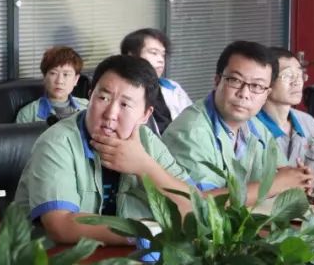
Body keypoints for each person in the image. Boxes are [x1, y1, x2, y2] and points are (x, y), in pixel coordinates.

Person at [14, 55, 194, 246]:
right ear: (89, 96)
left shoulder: (148, 142)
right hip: (56, 259)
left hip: (130, 258)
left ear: (145, 115)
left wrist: (145, 167)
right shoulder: (57, 142)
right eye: (103, 98)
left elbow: (193, 209)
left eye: (125, 105)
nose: (111, 114)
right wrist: (145, 232)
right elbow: (61, 225)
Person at [162, 41, 314, 202]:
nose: (244, 94)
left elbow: (280, 171)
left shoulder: (254, 125)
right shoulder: (191, 131)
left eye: (257, 86)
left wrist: (298, 178)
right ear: (217, 81)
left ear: (266, 94)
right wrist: (274, 185)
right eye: (235, 80)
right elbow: (202, 205)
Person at [258, 48, 314, 189]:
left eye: (299, 74)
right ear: (265, 82)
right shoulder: (249, 129)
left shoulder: (307, 122)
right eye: (288, 75)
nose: (297, 82)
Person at [120, 28, 191, 135]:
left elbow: (192, 122)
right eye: (154, 53)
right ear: (132, 56)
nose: (161, 60)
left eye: (163, 55)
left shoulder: (173, 88)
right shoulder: (120, 91)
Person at [15, 46, 89, 125]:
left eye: (66, 74)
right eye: (53, 73)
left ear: (76, 80)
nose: (59, 81)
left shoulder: (87, 107)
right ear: (44, 77)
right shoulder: (28, 114)